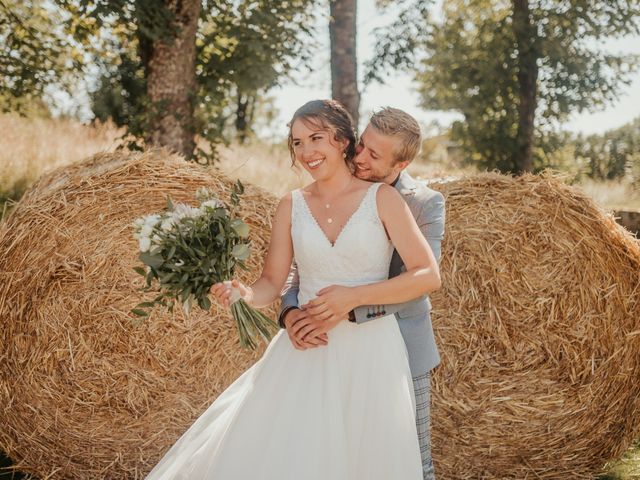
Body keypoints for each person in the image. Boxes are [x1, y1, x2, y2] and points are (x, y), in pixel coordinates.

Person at [144, 99, 441, 480]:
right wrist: (244, 294)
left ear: (342, 140)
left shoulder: (385, 199)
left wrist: (353, 296)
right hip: (306, 350)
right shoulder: (291, 205)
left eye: (316, 138)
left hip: (374, 354)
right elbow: (271, 281)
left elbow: (427, 275)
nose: (306, 151)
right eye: (297, 142)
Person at [279, 106, 445, 480]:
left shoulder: (423, 202)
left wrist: (352, 303)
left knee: (410, 461)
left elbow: (421, 281)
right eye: (362, 145)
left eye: (375, 155)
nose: (360, 158)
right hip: (324, 346)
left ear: (400, 165)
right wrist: (292, 314)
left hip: (399, 342)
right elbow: (301, 268)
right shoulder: (317, 192)